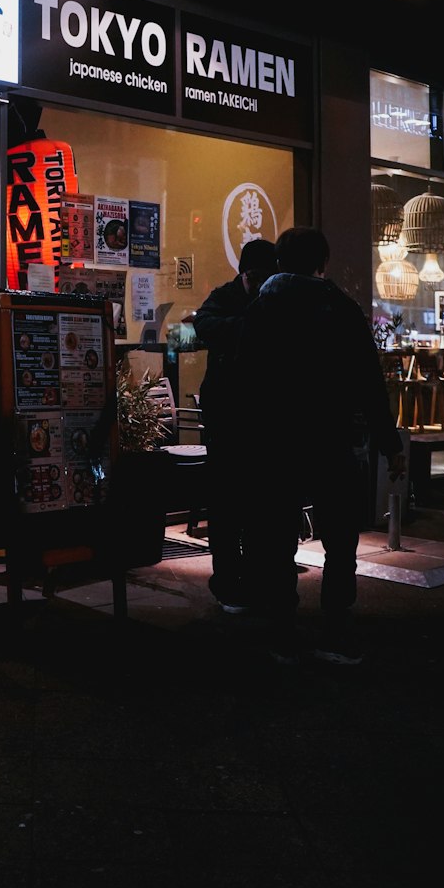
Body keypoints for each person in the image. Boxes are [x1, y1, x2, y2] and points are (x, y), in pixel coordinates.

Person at [231, 226, 405, 665]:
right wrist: (389, 441)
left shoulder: (261, 308)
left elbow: (243, 382)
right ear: (321, 263)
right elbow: (369, 381)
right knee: (341, 539)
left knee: (275, 540)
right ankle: (335, 632)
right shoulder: (340, 308)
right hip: (329, 438)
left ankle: (283, 632)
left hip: (274, 442)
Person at [194, 237, 278, 613]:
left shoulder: (269, 297)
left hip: (258, 417)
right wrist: (250, 328)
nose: (259, 283)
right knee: (228, 506)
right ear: (243, 272)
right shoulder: (226, 296)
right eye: (254, 276)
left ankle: (251, 579)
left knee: (256, 506)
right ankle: (228, 583)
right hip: (228, 417)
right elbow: (204, 325)